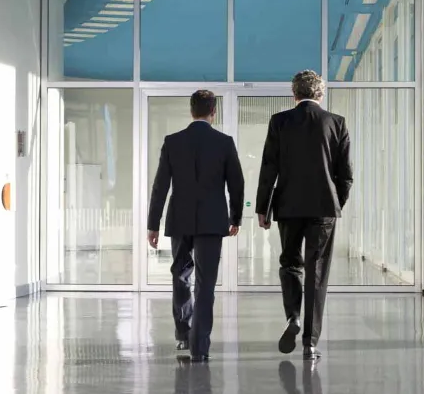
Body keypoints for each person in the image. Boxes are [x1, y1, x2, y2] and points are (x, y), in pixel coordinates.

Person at [255, 70, 353, 360]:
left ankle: (293, 317)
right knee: (316, 272)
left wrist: (263, 208)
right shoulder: (336, 123)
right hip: (324, 208)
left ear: (294, 94)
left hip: (288, 207)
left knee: (290, 263)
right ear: (320, 94)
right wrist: (336, 203)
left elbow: (268, 169)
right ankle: (310, 342)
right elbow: (345, 175)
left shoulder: (280, 122)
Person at [148, 90, 243, 362]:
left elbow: (160, 187)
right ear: (213, 112)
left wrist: (153, 224)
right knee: (206, 282)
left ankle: (182, 334)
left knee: (180, 274)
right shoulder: (224, 143)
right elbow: (236, 184)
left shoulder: (173, 142)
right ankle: (200, 346)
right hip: (213, 222)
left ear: (191, 111)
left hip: (180, 219)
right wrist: (235, 218)